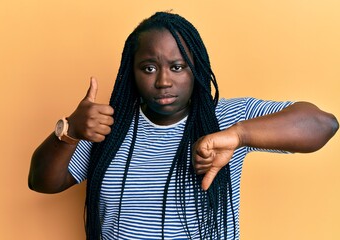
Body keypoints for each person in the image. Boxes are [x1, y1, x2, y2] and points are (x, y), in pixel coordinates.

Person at [28, 11, 338, 240]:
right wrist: (69, 130)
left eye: (178, 67)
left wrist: (238, 136)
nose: (163, 81)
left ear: (196, 70)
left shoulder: (226, 119)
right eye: (149, 68)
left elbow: (322, 124)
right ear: (130, 73)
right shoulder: (107, 128)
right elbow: (43, 182)